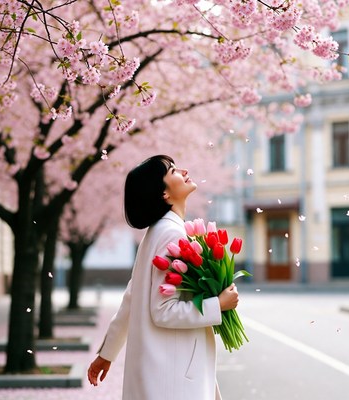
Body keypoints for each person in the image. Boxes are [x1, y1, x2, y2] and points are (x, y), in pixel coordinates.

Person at [87, 155, 239, 400]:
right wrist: (218, 305)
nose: (184, 171)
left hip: (165, 372)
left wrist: (108, 352)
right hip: (172, 377)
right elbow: (163, 310)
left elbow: (132, 297)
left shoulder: (158, 232)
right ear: (164, 194)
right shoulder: (171, 235)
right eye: (174, 171)